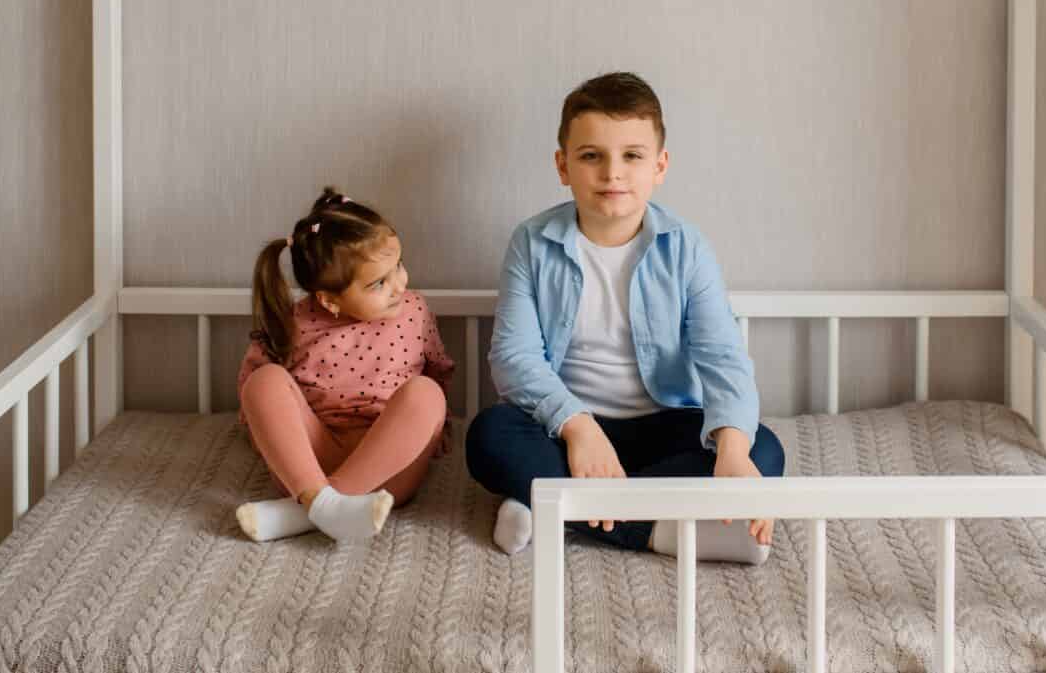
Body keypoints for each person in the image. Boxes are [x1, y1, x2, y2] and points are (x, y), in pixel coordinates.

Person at [466, 72, 784, 562]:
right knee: (488, 436)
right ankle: (658, 532)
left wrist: (734, 453)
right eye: (591, 156)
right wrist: (579, 427)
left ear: (659, 166)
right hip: (566, 427)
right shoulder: (531, 242)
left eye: (631, 156)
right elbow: (513, 357)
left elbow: (723, 357)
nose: (612, 173)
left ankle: (552, 507)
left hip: (664, 424)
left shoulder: (686, 246)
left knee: (763, 450)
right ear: (563, 165)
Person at [233, 188, 454, 543]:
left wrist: (436, 435)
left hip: (387, 468)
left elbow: (438, 372)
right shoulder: (295, 322)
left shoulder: (414, 310)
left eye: (397, 265)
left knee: (426, 394)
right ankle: (319, 499)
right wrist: (276, 445)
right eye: (378, 283)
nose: (399, 284)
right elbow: (257, 401)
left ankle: (307, 510)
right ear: (329, 300)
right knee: (263, 381)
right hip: (307, 464)